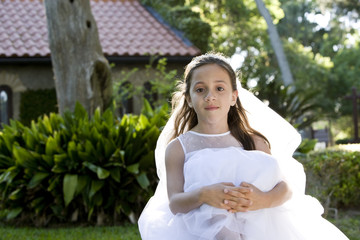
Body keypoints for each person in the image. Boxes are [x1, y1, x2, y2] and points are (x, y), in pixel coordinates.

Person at [138, 52, 349, 240]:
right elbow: (175, 202)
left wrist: (263, 199)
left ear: (233, 96)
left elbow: (284, 188)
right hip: (200, 232)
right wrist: (204, 194)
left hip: (261, 228)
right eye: (200, 89)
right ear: (189, 99)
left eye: (219, 88)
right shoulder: (178, 148)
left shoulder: (254, 141)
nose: (210, 96)